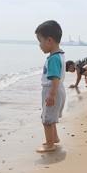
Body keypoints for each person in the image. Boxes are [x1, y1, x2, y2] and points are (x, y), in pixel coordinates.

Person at [35, 20, 66, 153]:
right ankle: (54, 138)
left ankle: (50, 144)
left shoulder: (53, 58)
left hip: (52, 90)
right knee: (51, 116)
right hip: (58, 89)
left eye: (40, 41)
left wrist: (51, 95)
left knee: (47, 119)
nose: (39, 45)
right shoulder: (60, 55)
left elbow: (54, 78)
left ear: (49, 40)